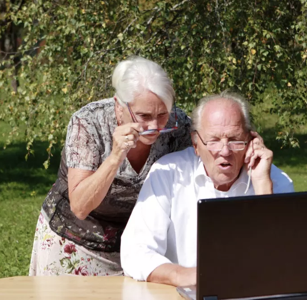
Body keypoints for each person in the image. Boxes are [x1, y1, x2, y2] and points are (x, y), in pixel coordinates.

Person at [29, 56, 193, 276]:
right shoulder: (88, 122)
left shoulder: (179, 125)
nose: (154, 126)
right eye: (144, 116)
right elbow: (80, 205)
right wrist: (116, 156)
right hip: (77, 243)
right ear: (119, 106)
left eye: (162, 114)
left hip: (141, 249)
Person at [120, 91, 294, 286]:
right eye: (213, 140)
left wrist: (262, 185)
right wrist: (185, 276)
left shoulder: (274, 181)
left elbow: (283, 261)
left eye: (235, 140)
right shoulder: (168, 173)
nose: (225, 151)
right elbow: (135, 252)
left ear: (250, 140)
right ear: (195, 144)